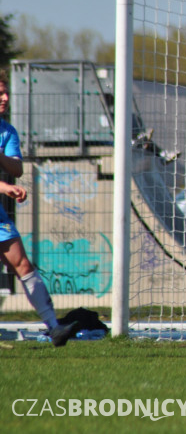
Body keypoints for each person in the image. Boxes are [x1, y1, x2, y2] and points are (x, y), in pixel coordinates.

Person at [0, 71, 79, 347]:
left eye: (6, 92)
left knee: (22, 263)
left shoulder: (7, 131)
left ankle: (55, 328)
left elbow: (17, 168)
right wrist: (5, 187)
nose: (5, 98)